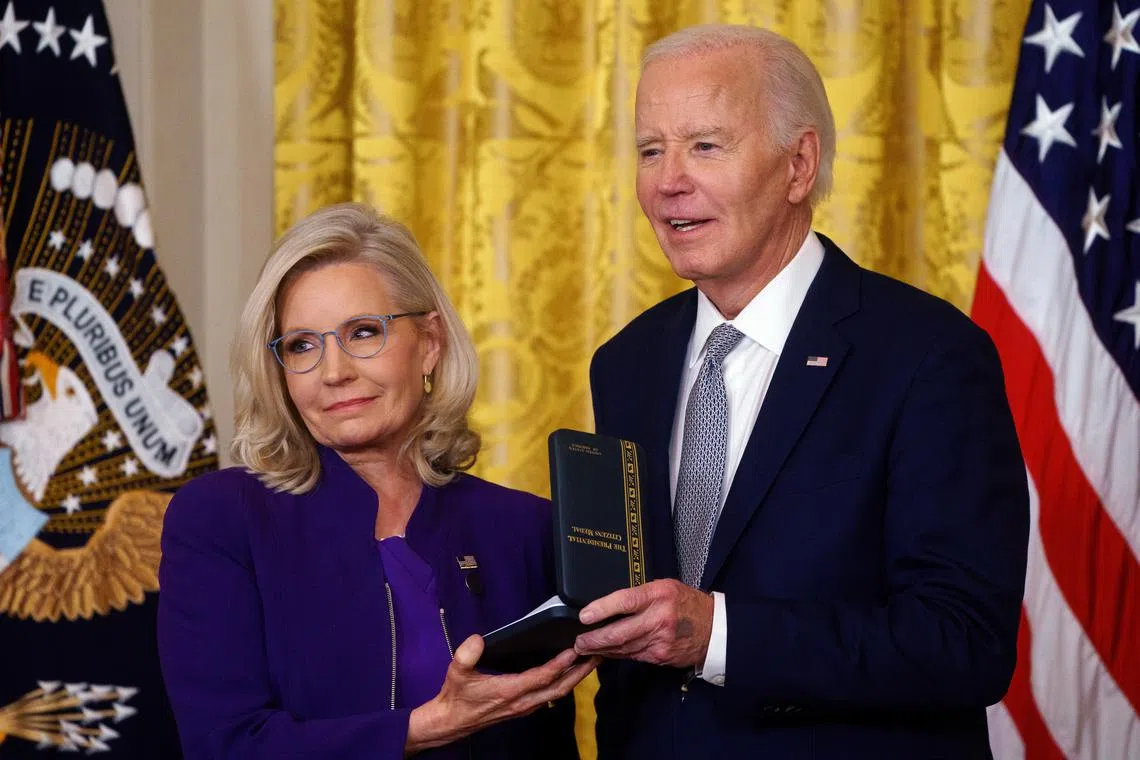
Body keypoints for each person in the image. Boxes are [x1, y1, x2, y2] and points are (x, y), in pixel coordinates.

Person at [575, 24, 1029, 759]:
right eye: (650, 149)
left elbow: (963, 641)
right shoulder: (626, 361)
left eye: (705, 145)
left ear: (798, 164)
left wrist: (716, 634)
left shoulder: (927, 354)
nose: (667, 181)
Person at [157, 202, 596, 759]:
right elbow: (225, 745)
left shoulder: (523, 526)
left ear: (430, 344)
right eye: (302, 345)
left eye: (363, 332)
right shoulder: (220, 517)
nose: (334, 371)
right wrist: (425, 727)